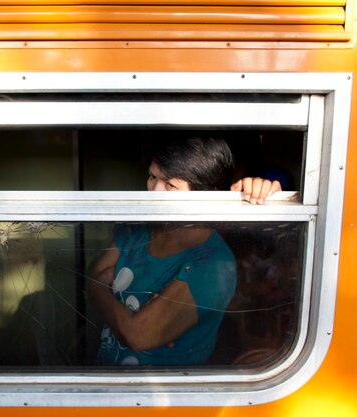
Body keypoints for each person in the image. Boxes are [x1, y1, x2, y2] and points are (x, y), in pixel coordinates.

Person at [89, 137, 281, 366]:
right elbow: (90, 276)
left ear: (204, 194)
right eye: (152, 177)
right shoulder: (138, 230)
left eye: (170, 185)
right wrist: (108, 297)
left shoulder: (212, 263)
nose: (154, 192)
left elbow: (138, 335)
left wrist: (101, 288)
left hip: (164, 395)